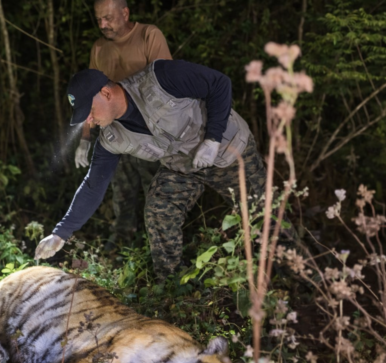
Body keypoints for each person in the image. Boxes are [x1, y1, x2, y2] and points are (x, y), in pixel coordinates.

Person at [36, 59, 267, 281]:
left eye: (89, 110)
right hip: (183, 167)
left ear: (105, 93)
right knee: (158, 210)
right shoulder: (110, 139)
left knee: (264, 214)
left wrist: (213, 138)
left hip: (228, 150)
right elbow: (93, 185)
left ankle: (285, 273)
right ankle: (172, 285)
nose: (89, 120)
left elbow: (219, 83)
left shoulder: (161, 78)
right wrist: (60, 233)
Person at [74, 0, 172, 251]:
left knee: (157, 193)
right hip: (115, 135)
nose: (102, 24)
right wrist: (85, 138)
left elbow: (167, 84)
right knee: (121, 192)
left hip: (149, 133)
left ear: (125, 13)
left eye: (108, 18)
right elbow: (89, 96)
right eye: (98, 19)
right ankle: (122, 243)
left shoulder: (148, 36)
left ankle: (161, 247)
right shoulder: (99, 48)